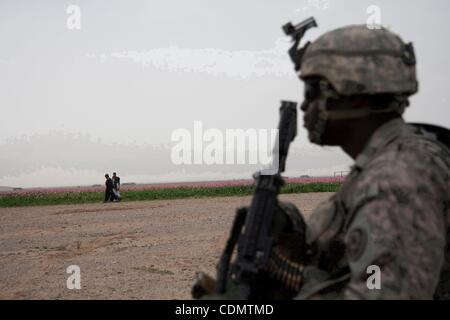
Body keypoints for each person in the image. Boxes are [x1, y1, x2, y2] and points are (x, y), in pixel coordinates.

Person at [194, 23, 450, 300]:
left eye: (313, 91)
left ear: (352, 94)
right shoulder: (393, 159)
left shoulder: (396, 178)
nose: (305, 106)